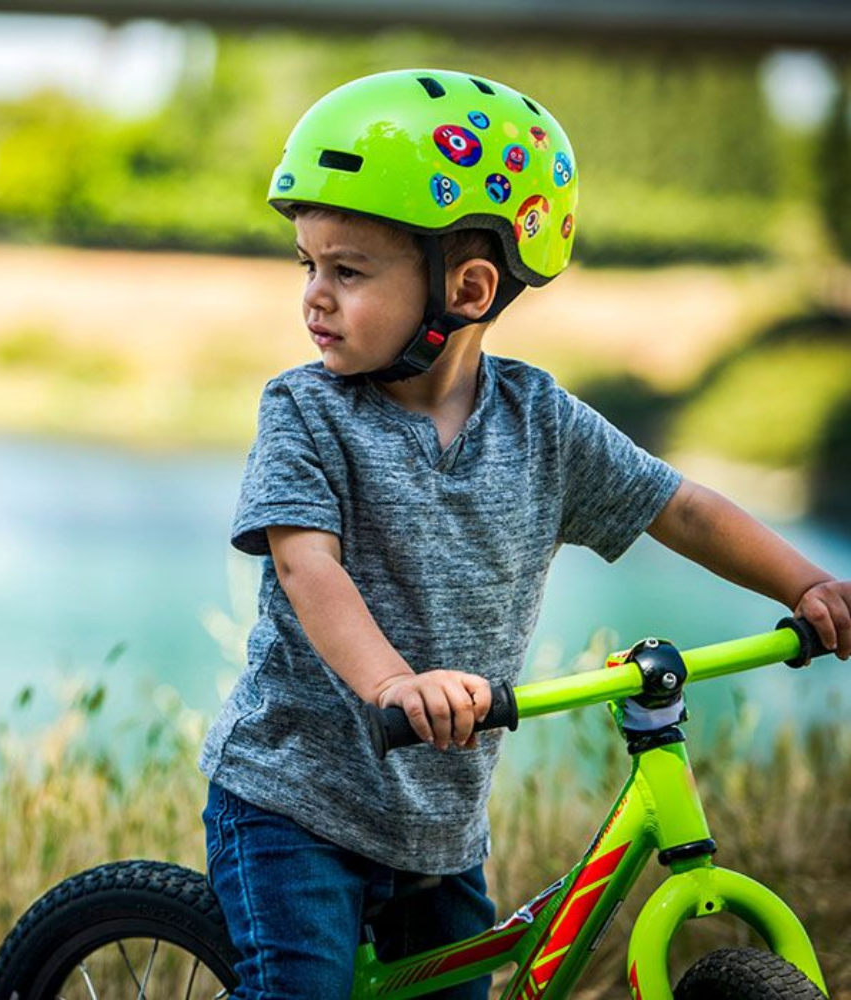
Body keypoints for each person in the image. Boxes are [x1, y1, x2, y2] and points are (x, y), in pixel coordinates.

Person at [197, 68, 851, 999]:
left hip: (440, 826)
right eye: (309, 265)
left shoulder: (540, 421)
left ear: (466, 287)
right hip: (295, 804)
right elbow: (308, 567)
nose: (315, 295)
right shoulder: (306, 412)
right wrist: (395, 683)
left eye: (348, 271)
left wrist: (805, 585)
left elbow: (682, 506)